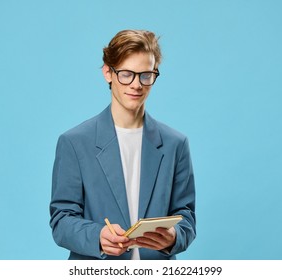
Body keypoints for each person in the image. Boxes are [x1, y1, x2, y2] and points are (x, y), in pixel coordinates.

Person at [49, 29, 196, 260]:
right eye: (127, 74)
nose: (137, 85)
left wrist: (174, 235)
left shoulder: (176, 144)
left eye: (146, 75)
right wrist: (97, 235)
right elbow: (61, 220)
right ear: (108, 72)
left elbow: (186, 217)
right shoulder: (74, 143)